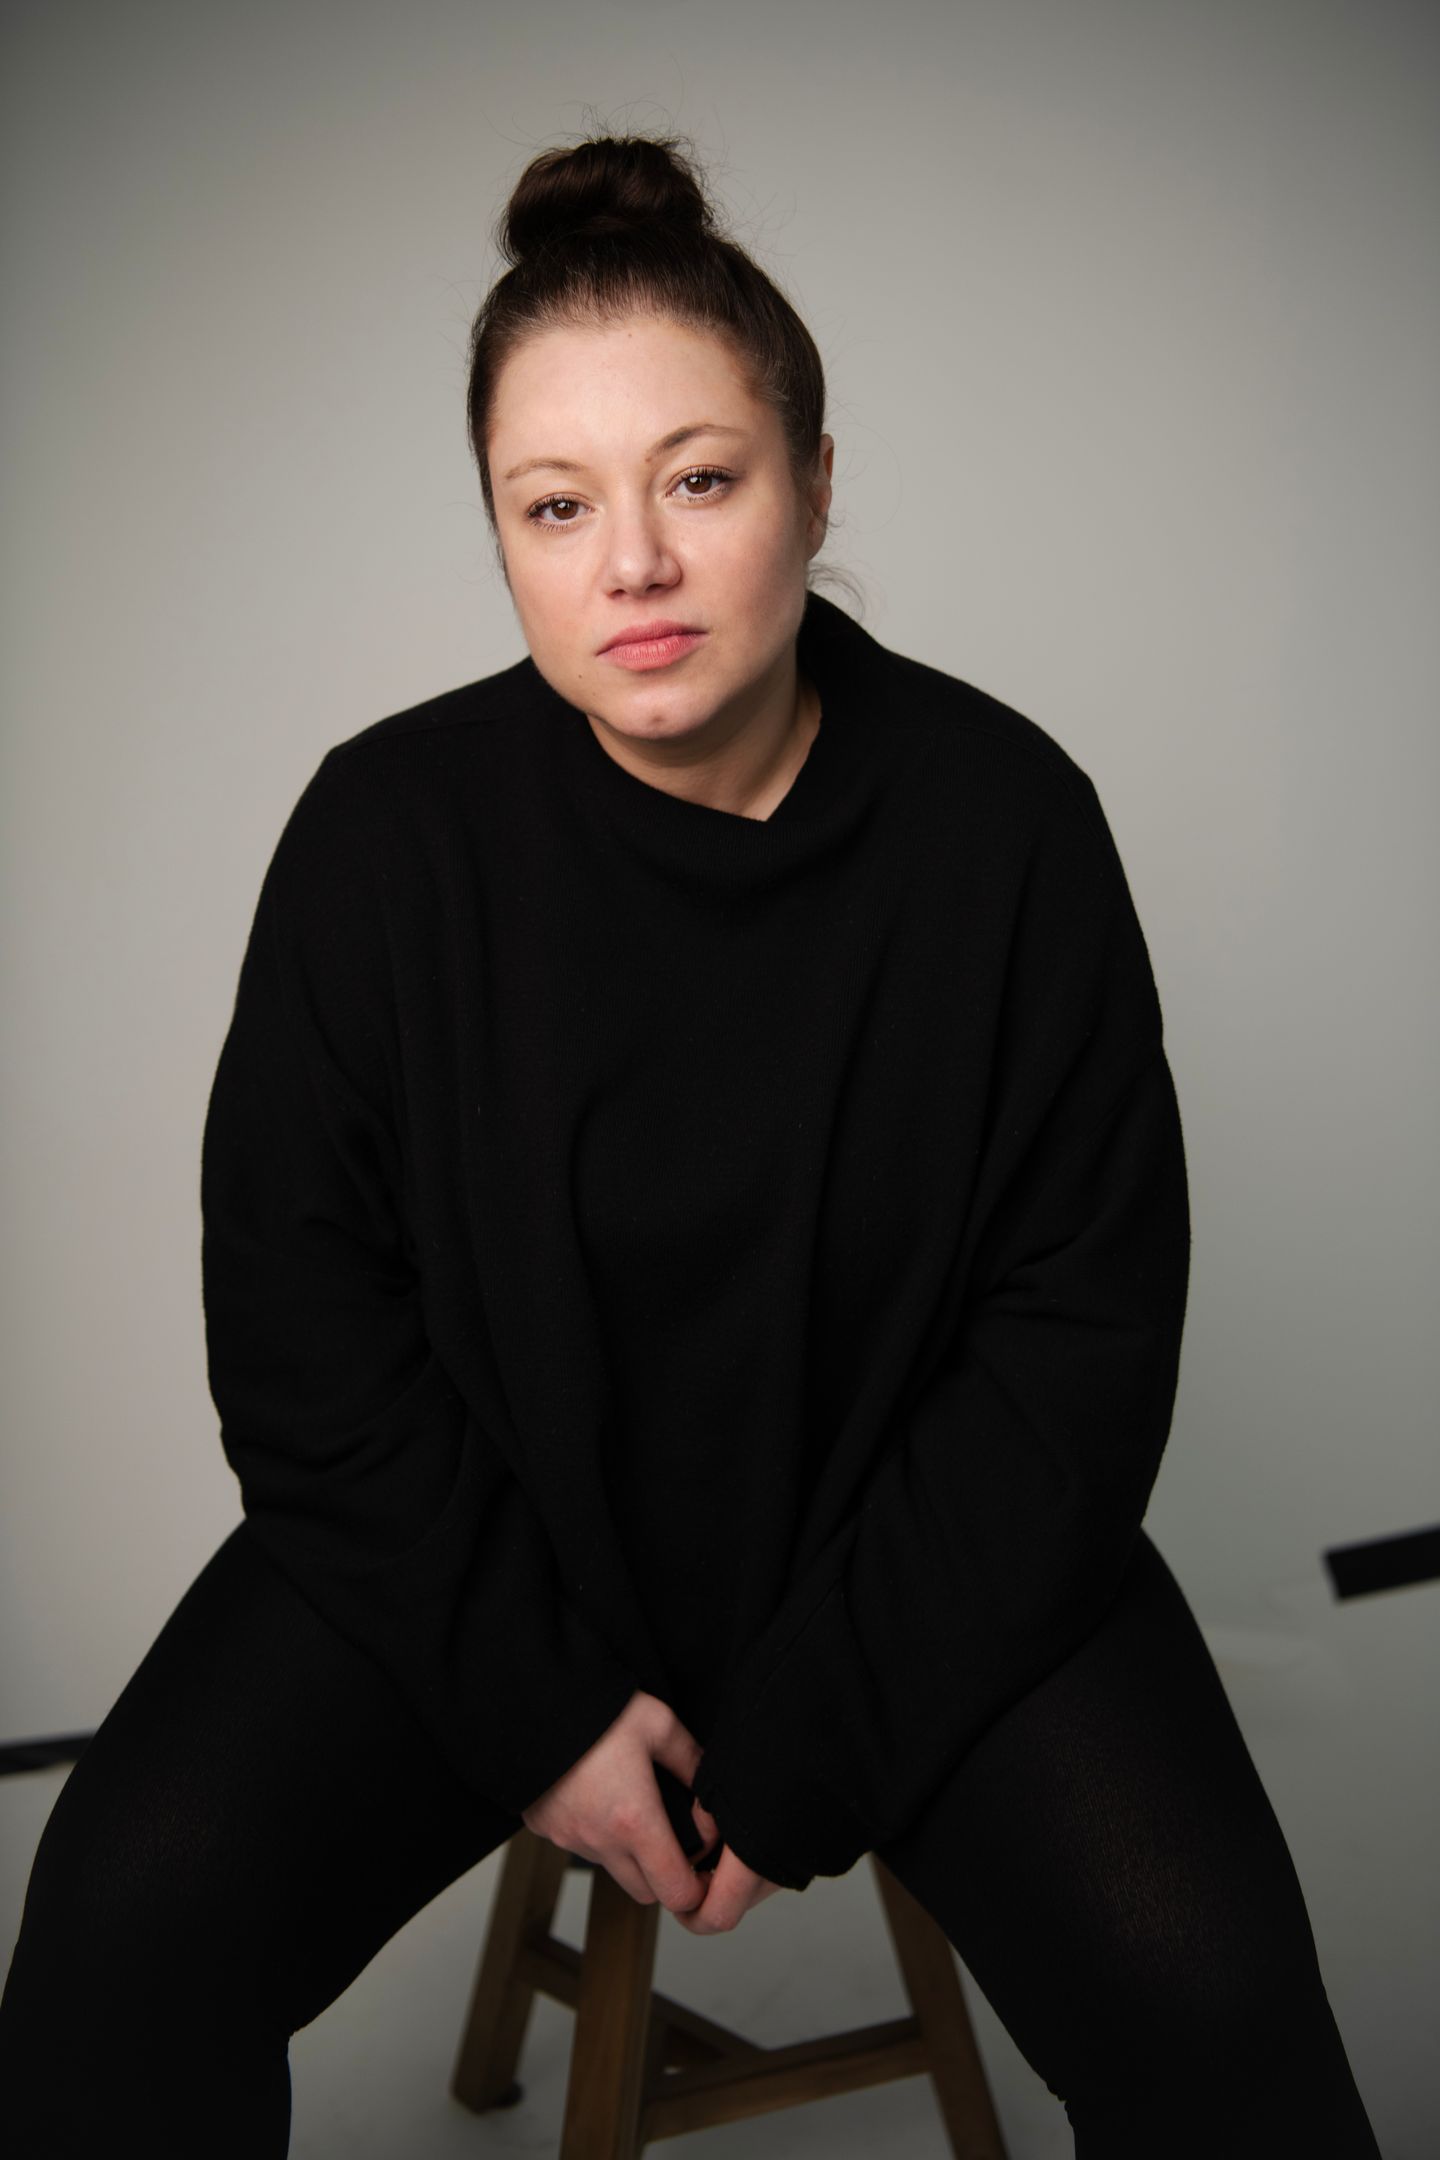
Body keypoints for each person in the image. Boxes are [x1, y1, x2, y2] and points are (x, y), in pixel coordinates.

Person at [0, 130, 1382, 2157]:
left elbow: (1076, 1348)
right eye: (556, 505)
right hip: (485, 1551)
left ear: (815, 483)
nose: (629, 565)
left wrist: (823, 1735)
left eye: (701, 481)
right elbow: (303, 1337)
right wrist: (534, 1710)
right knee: (121, 1940)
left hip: (911, 1552)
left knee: (1217, 1999)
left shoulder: (1005, 826)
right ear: (500, 535)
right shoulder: (387, 840)